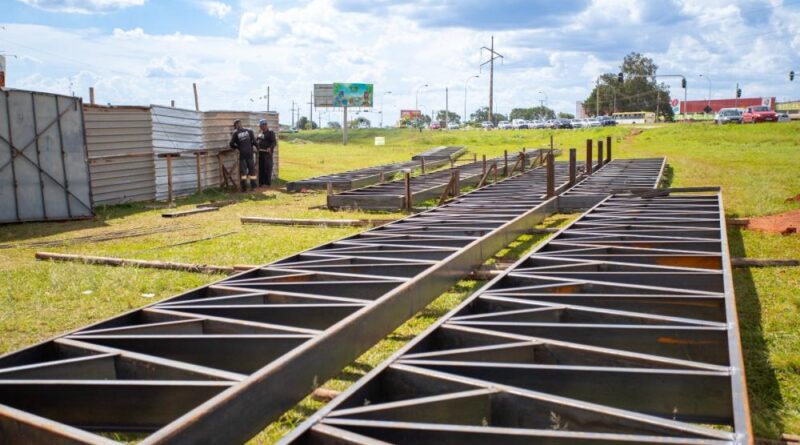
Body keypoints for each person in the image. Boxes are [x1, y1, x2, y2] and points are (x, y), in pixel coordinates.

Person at [229, 119, 257, 191]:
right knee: (249, 171)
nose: (237, 126)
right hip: (247, 154)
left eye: (237, 125)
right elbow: (254, 142)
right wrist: (258, 148)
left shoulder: (237, 133)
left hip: (245, 154)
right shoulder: (249, 131)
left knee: (247, 172)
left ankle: (247, 188)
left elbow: (231, 144)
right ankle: (250, 187)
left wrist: (237, 147)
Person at [256, 118, 277, 187]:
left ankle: (267, 183)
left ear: (265, 125)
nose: (260, 127)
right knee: (261, 168)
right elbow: (257, 141)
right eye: (260, 126)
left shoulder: (270, 132)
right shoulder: (260, 133)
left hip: (267, 154)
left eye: (261, 126)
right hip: (261, 153)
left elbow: (274, 142)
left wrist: (270, 148)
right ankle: (261, 183)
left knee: (267, 168)